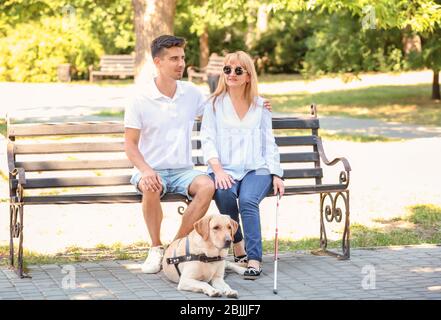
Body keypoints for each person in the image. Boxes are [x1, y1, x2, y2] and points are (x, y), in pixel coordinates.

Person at [124, 35, 215, 274]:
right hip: (151, 169)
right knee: (151, 184)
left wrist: (256, 102)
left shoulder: (191, 93)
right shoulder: (139, 97)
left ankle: (176, 246)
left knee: (207, 185)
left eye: (183, 58)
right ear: (158, 62)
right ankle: (156, 248)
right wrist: (146, 170)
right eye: (174, 59)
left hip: (183, 170)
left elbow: (220, 112)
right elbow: (130, 145)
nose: (181, 64)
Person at [200, 51, 285, 280]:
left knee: (247, 201)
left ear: (248, 76)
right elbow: (207, 140)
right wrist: (218, 170)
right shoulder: (214, 105)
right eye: (227, 69)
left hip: (256, 169)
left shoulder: (260, 106)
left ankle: (254, 258)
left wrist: (277, 174)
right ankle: (238, 244)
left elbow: (269, 142)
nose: (232, 74)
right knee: (225, 194)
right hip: (224, 168)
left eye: (238, 70)